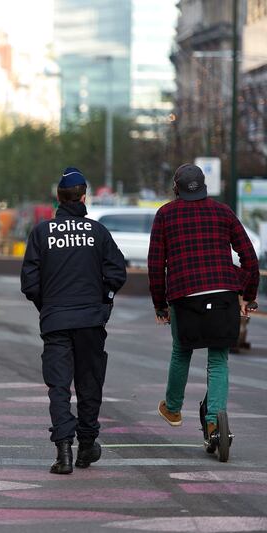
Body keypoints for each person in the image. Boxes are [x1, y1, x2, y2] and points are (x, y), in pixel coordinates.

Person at [20, 167, 126, 475]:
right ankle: (87, 445)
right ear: (83, 197)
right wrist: (103, 300)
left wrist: (48, 306)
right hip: (91, 320)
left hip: (55, 320)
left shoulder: (41, 233)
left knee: (59, 386)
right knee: (89, 382)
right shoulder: (97, 232)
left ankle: (63, 450)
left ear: (58, 198)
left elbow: (30, 283)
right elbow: (116, 273)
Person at [149, 163, 258, 449]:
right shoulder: (223, 212)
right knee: (219, 358)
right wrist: (247, 293)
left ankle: (172, 408)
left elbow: (155, 265)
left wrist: (160, 305)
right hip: (223, 293)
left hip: (184, 296)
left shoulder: (165, 215)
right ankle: (214, 420)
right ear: (204, 186)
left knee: (181, 350)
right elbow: (249, 257)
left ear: (176, 188)